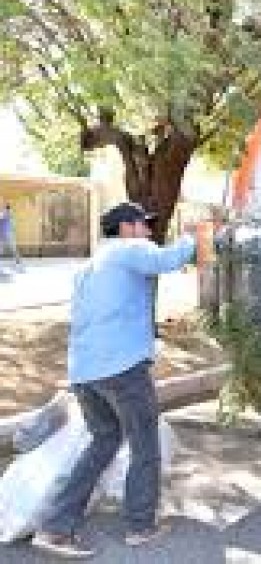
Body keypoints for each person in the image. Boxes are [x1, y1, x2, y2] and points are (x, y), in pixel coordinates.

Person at [32, 202, 198, 559]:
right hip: (122, 369)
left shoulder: (90, 265)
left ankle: (55, 528)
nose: (149, 231)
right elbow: (171, 259)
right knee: (144, 446)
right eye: (144, 224)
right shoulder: (128, 250)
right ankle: (141, 526)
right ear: (126, 227)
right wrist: (196, 236)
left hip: (84, 372)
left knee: (103, 442)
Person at [0, 203, 22, 267]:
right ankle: (18, 261)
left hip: (7, 234)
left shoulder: (6, 213)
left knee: (13, 248)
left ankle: (18, 262)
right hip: (4, 234)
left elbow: (3, 217)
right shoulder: (6, 214)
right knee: (9, 248)